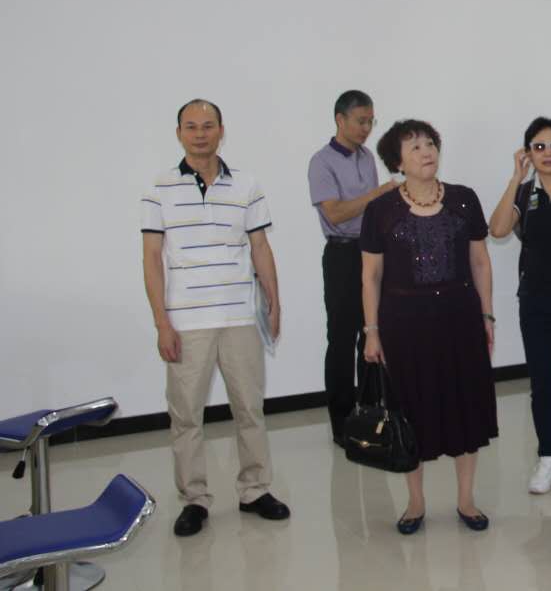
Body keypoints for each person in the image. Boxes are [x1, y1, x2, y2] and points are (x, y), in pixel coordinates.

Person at [141, 99, 291, 537]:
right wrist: (161, 322)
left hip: (240, 316)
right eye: (191, 126)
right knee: (187, 416)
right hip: (186, 321)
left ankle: (255, 490)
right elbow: (152, 259)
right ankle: (194, 499)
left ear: (221, 131)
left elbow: (260, 247)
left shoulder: (246, 184)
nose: (200, 134)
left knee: (250, 409)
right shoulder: (159, 187)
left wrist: (274, 301)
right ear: (179, 134)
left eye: (208, 126)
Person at [360, 119, 497, 535]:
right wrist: (372, 331)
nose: (426, 152)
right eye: (415, 147)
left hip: (460, 317)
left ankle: (466, 499)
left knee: (465, 405)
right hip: (404, 323)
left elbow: (480, 261)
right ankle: (415, 502)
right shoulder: (381, 209)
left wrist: (487, 315)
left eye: (430, 144)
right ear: (397, 161)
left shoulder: (463, 199)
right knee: (411, 409)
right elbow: (370, 276)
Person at [489, 117, 551, 494]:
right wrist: (515, 177)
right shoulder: (524, 193)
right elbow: (497, 229)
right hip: (536, 302)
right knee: (542, 384)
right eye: (539, 147)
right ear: (528, 152)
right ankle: (549, 459)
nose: (548, 153)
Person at [308, 90, 399, 444]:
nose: (366, 128)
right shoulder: (321, 161)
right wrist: (379, 193)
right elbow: (335, 213)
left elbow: (371, 213)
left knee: (372, 333)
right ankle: (342, 422)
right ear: (340, 119)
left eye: (370, 121)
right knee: (342, 340)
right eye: (361, 121)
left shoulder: (367, 157)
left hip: (371, 253)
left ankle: (371, 414)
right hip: (342, 255)